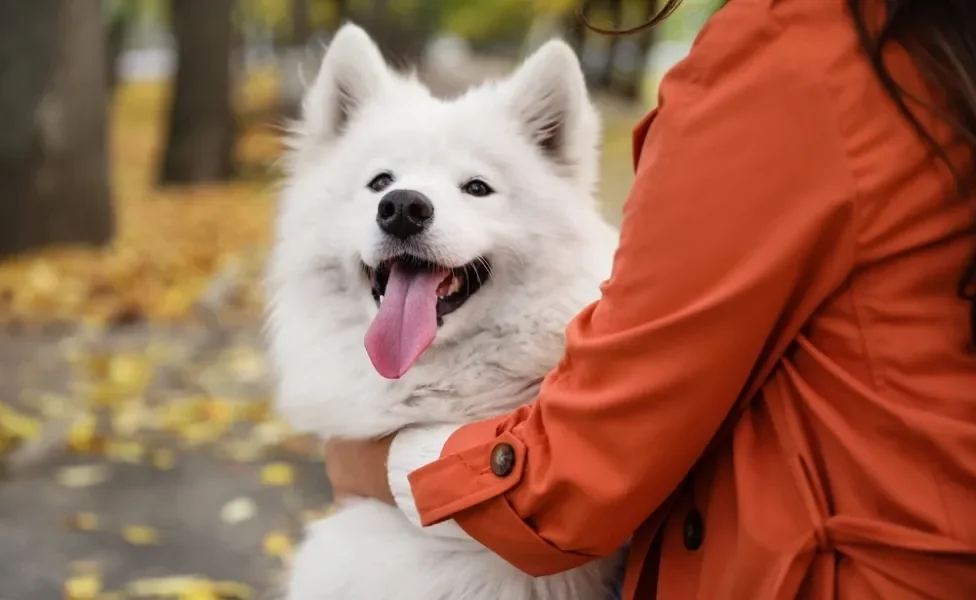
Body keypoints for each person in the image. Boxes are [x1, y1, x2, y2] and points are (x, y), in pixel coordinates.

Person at [322, 0, 976, 598]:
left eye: (477, 186)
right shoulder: (931, 44)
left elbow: (583, 471)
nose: (407, 199)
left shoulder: (792, 60)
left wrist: (374, 465)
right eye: (383, 180)